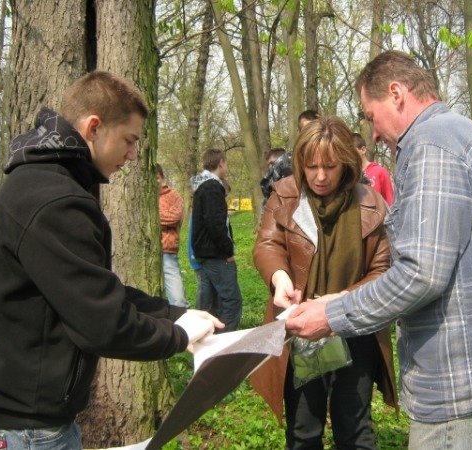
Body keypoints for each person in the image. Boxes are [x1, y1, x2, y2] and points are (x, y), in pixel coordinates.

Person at [284, 51, 472, 449]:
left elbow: (421, 273)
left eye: (370, 115)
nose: (374, 134)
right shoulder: (457, 134)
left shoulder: (433, 145)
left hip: (457, 374)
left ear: (396, 94)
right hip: (468, 365)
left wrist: (333, 314)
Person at [0, 71, 223, 450]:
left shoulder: (44, 183)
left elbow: (92, 290)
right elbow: (103, 324)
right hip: (20, 429)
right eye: (129, 140)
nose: (134, 155)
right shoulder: (55, 200)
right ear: (93, 127)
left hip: (24, 421)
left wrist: (173, 316)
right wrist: (179, 335)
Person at [251, 116, 398, 449]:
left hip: (355, 326)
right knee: (303, 430)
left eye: (329, 166)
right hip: (300, 327)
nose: (319, 176)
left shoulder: (371, 203)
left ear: (346, 162)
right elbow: (267, 244)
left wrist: (341, 301)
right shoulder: (285, 195)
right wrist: (280, 277)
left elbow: (383, 269)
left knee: (355, 427)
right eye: (311, 165)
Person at [191, 148, 243, 332]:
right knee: (232, 301)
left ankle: (204, 342)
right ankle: (224, 347)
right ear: (221, 162)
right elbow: (215, 224)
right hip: (215, 254)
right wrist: (228, 251)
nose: (226, 167)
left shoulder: (201, 186)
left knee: (210, 302)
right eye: (226, 163)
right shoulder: (212, 186)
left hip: (204, 253)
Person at [156, 163, 189, 307]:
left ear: (162, 178)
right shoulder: (142, 197)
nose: (154, 181)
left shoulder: (173, 196)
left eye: (157, 177)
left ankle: (183, 324)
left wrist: (152, 217)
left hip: (167, 252)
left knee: (178, 299)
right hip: (145, 252)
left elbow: (174, 217)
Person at [352, 132, 394, 204]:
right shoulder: (349, 176)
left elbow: (390, 202)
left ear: (363, 150)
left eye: (352, 151)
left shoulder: (380, 172)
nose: (349, 155)